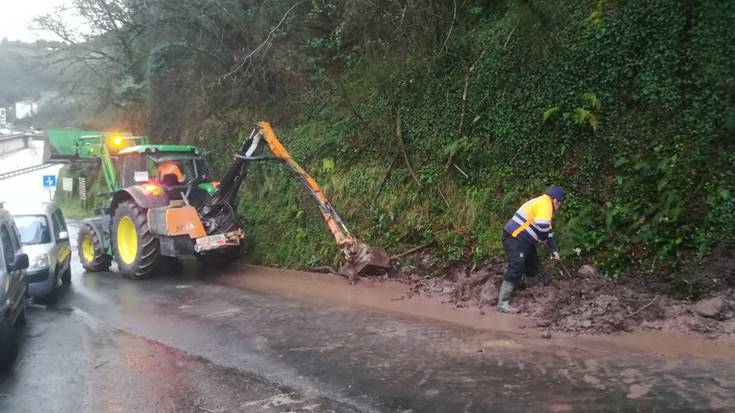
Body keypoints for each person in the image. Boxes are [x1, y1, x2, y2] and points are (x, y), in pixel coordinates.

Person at [497, 186, 565, 313]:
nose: (558, 207)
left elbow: (548, 230)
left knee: (533, 266)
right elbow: (543, 227)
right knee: (516, 265)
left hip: (525, 242)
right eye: (559, 204)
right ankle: (502, 303)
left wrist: (553, 249)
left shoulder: (542, 204)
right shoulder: (545, 205)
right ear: (556, 201)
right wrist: (543, 238)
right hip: (514, 238)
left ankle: (526, 291)